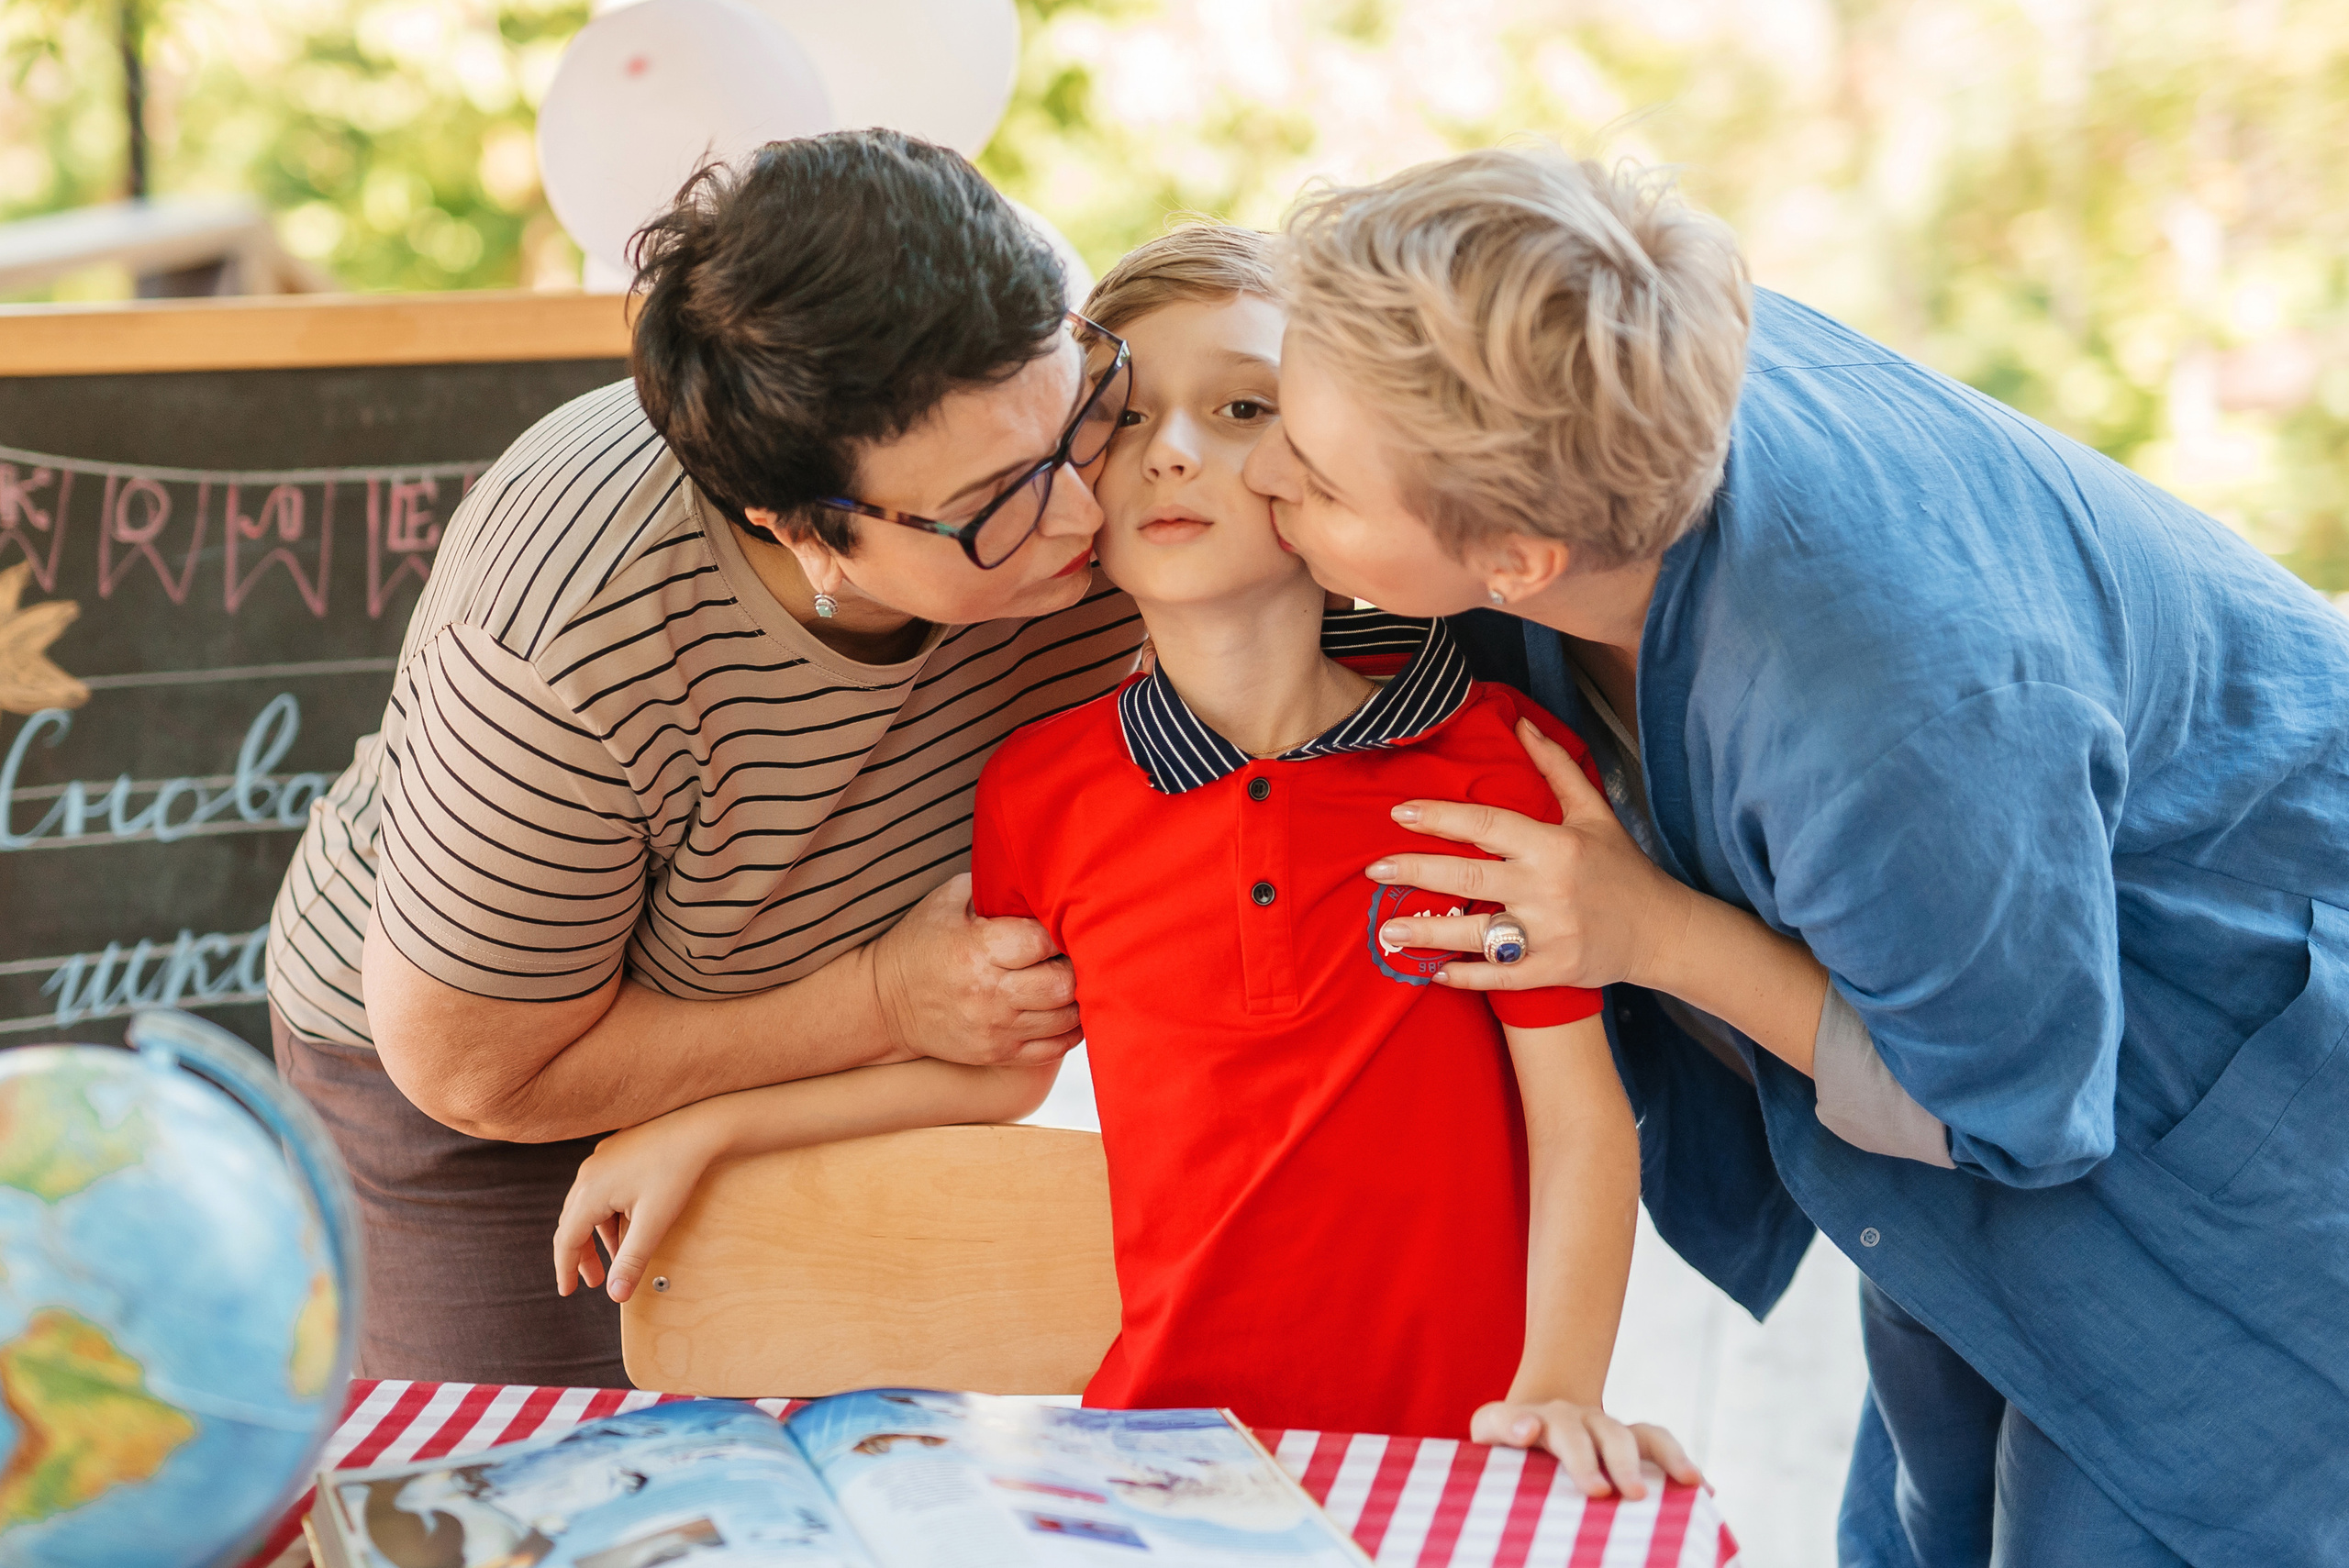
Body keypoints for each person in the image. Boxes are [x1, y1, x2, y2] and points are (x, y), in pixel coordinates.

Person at [1241, 146, 2349, 1566]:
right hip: (1991, 980)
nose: (1269, 471)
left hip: (2239, 1123)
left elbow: (2001, 1109)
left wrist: (1651, 934)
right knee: (1927, 1516)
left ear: (1518, 556)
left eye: (1318, 480)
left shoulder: (1890, 712)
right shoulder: (1603, 373)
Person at [554, 228, 1698, 1494]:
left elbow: (1580, 1116)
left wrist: (1557, 1386)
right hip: (1156, 1457)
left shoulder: (1491, 761)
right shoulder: (1044, 790)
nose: (1174, 448)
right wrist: (702, 1127)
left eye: (1244, 405)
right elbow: (988, 1076)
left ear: (1331, 453)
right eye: (1130, 414)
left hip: (1445, 1459)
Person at [264, 129, 1144, 1387]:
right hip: (498, 1083)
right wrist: (888, 1001)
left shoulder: (1090, 447)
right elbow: (476, 1064)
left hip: (858, 1043)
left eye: (1078, 412)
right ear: (800, 528)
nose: (1083, 513)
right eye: (1001, 501)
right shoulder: (576, 611)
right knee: (541, 1488)